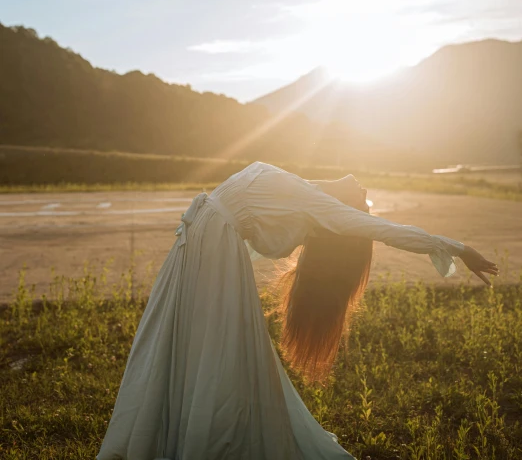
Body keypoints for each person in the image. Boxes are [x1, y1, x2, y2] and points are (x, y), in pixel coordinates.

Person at [97, 161, 498, 460]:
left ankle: (200, 436)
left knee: (216, 348)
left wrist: (457, 248)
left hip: (209, 245)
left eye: (362, 201)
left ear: (345, 207)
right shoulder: (298, 187)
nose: (362, 188)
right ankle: (180, 427)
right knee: (187, 341)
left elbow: (383, 230)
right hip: (200, 243)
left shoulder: (318, 204)